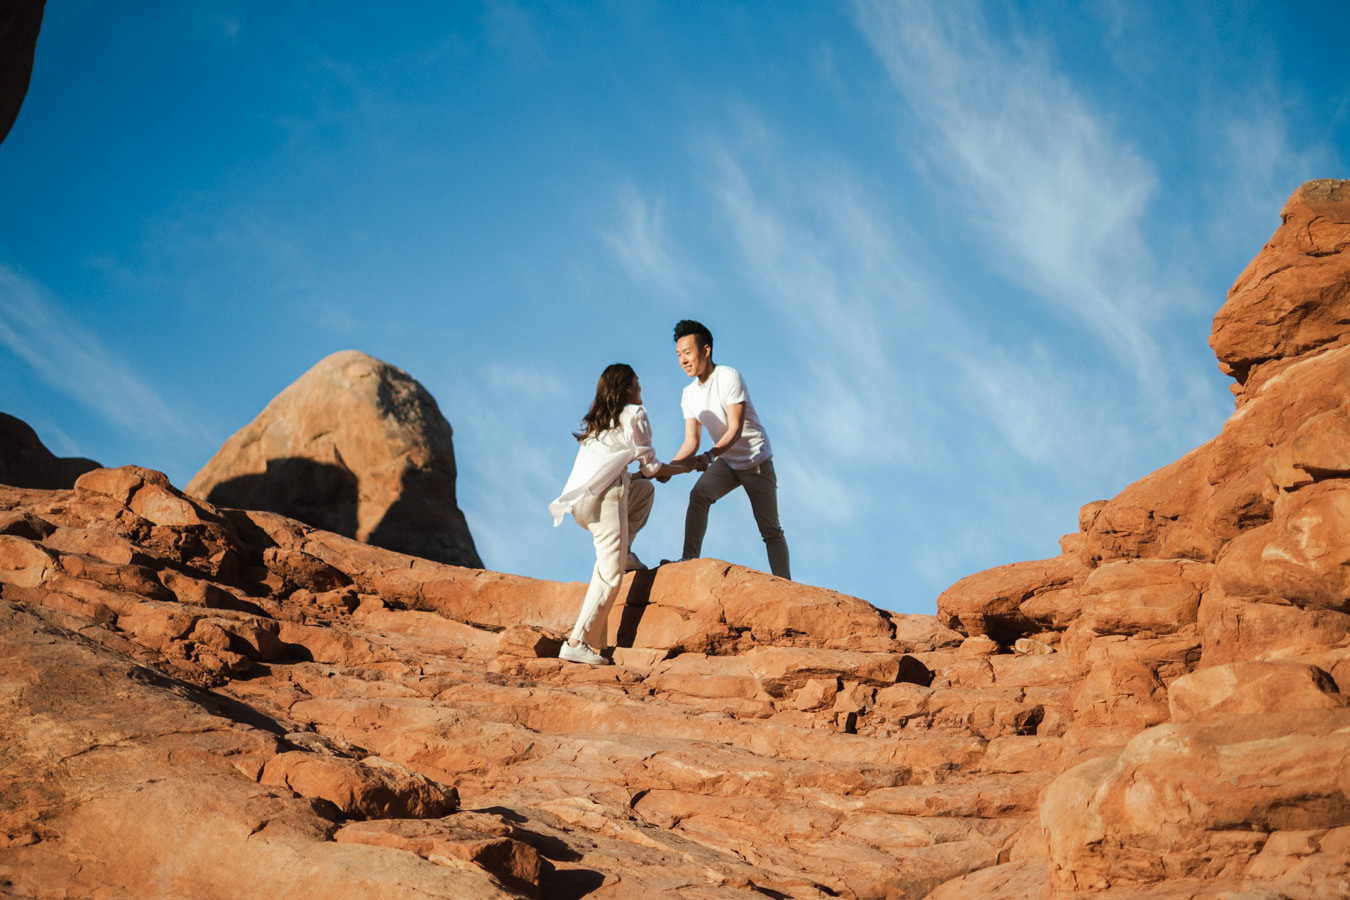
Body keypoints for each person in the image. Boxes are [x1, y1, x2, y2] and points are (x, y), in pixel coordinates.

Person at [548, 363, 692, 665]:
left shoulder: (600, 423)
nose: (641, 388)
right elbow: (652, 468)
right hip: (606, 500)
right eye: (637, 382)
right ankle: (576, 642)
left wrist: (655, 473)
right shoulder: (635, 413)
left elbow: (640, 477)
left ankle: (623, 554)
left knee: (644, 492)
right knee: (609, 575)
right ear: (627, 388)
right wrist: (690, 465)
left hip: (581, 504)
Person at [670, 319, 790, 579]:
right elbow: (691, 442)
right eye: (679, 355)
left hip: (755, 461)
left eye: (688, 353)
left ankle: (786, 585)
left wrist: (710, 455)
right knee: (699, 495)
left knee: (770, 530)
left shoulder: (728, 377)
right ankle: (688, 560)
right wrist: (668, 469)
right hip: (727, 462)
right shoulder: (689, 394)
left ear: (706, 350)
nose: (683, 360)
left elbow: (734, 430)